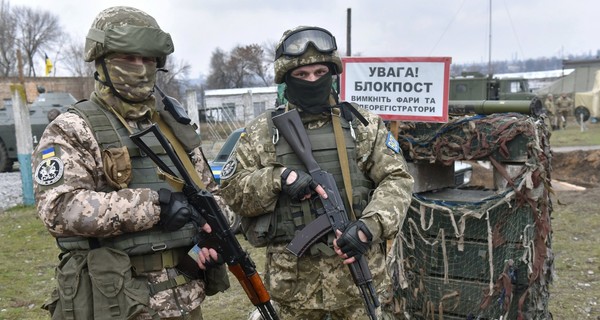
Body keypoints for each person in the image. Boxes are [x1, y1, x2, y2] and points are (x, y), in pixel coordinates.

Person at [33, 6, 229, 320]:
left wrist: (211, 234)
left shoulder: (173, 125)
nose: (139, 67)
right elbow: (58, 208)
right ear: (102, 60)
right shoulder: (73, 128)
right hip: (116, 302)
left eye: (148, 59)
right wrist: (154, 207)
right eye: (128, 58)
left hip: (183, 295)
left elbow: (214, 194)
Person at [220, 25, 414, 319]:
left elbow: (397, 180)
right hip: (293, 288)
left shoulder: (363, 125)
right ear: (287, 78)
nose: (312, 80)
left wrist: (368, 228)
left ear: (332, 74)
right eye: (302, 75)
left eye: (319, 73)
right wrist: (278, 179)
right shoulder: (263, 132)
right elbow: (232, 191)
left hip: (357, 282)